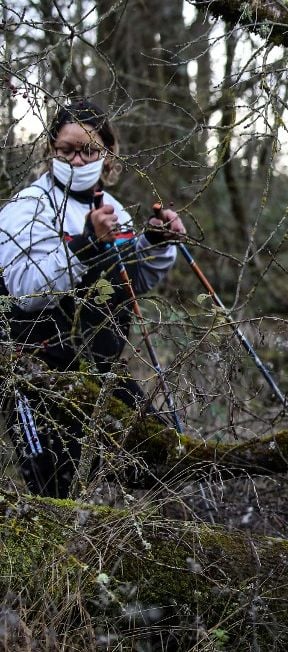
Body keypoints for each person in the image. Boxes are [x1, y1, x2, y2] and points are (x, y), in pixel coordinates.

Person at [0, 99, 186, 497]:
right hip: (36, 373)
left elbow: (133, 281)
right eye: (67, 149)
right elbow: (26, 292)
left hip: (100, 369)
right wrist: (85, 245)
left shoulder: (113, 209)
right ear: (51, 149)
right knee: (55, 492)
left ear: (107, 153)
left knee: (157, 459)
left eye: (89, 150)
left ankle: (116, 542)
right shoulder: (27, 207)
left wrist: (154, 242)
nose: (78, 160)